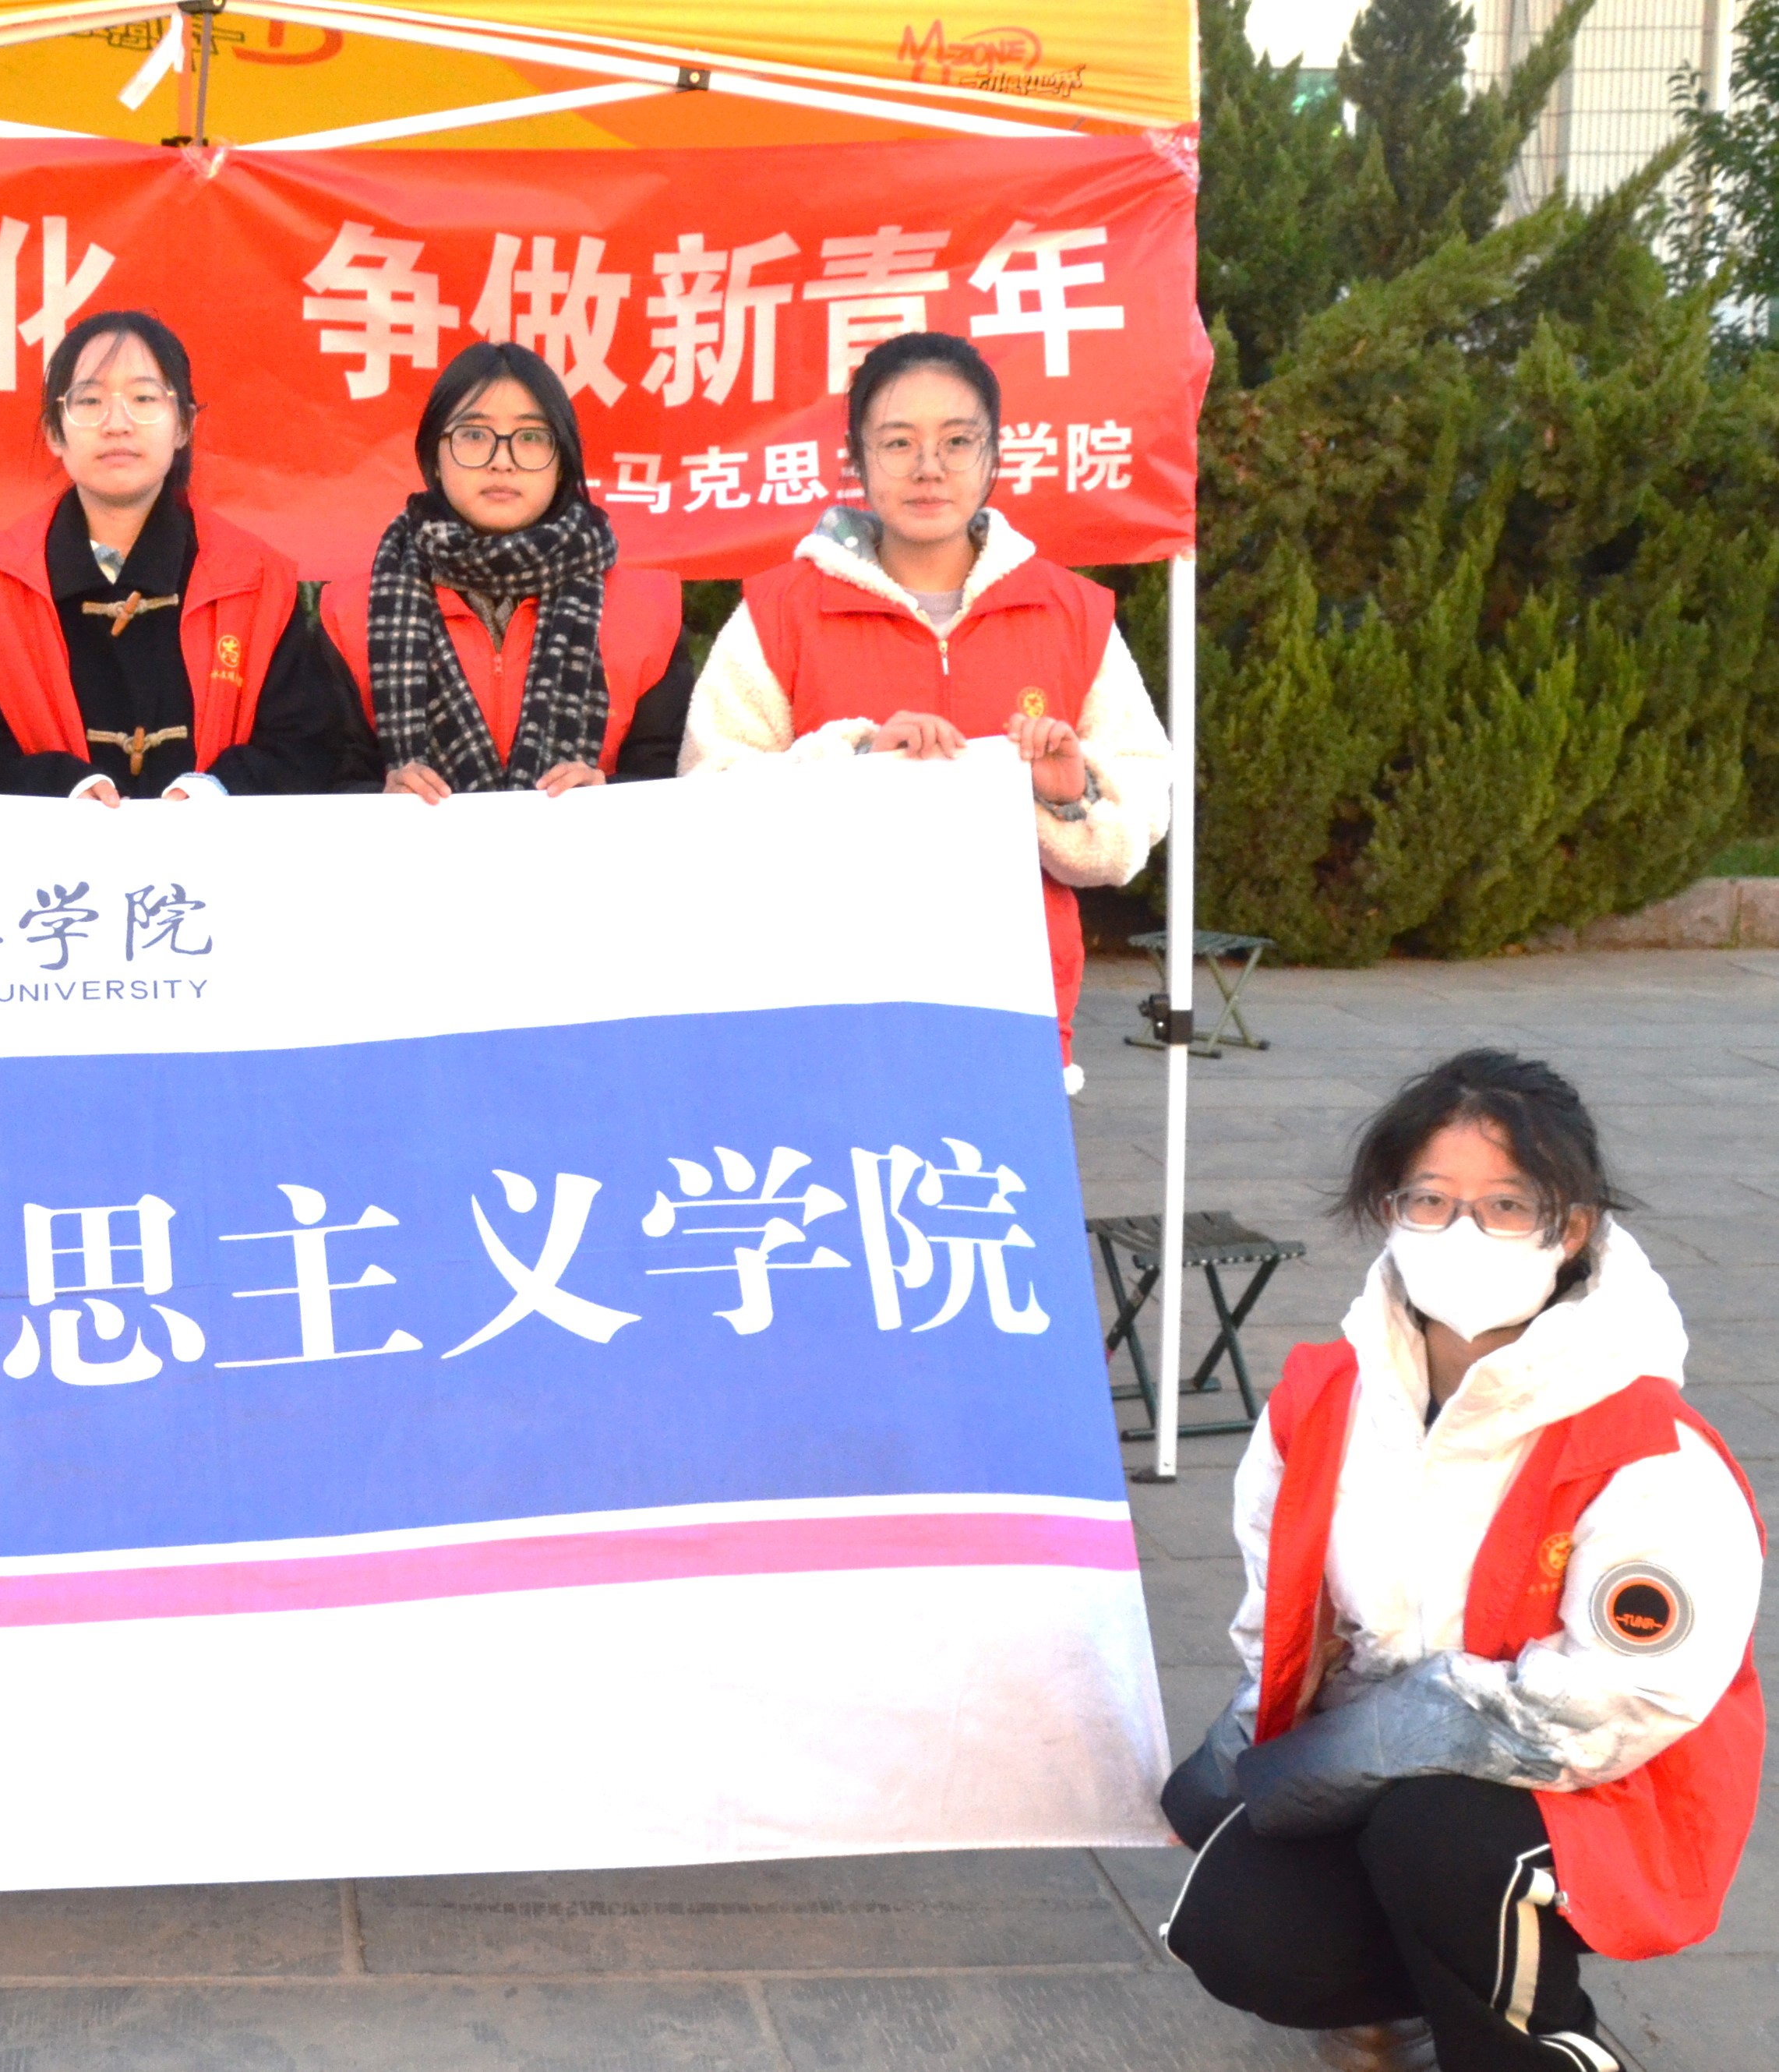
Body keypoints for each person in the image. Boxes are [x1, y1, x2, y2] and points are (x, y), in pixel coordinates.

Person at [1160, 1050, 1763, 2072]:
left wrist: (1343, 1756)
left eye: (1506, 1206)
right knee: (1238, 1926)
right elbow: (1284, 1617)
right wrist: (1241, 1752)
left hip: (1590, 1785)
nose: (1462, 1231)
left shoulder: (1646, 1443)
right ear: (1387, 1209)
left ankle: (1543, 2047)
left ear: (1571, 1228)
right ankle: (1414, 1989)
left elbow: (1622, 1699)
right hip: (1384, 1775)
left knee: (1435, 1834)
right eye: (1431, 1200)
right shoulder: (1322, 1396)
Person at [679, 331, 1170, 1085]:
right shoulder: (780, 611)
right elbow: (708, 801)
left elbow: (1138, 813)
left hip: (1010, 1011)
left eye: (957, 441)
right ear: (857, 457)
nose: (928, 467)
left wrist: (1065, 799)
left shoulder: (1071, 612)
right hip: (819, 1008)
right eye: (898, 442)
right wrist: (855, 764)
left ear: (994, 455)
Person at [0, 309, 365, 801]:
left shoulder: (254, 581)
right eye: (89, 401)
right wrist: (62, 789)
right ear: (54, 431)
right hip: (51, 850)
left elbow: (308, 746)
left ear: (183, 426)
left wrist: (214, 791)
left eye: (144, 399)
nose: (117, 424)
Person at [320, 342, 691, 796]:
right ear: (434, 457)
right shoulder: (350, 614)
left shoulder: (647, 612)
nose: (502, 460)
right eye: (474, 435)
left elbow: (677, 780)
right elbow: (318, 778)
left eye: (531, 438)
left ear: (562, 462)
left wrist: (610, 793)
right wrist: (378, 801)